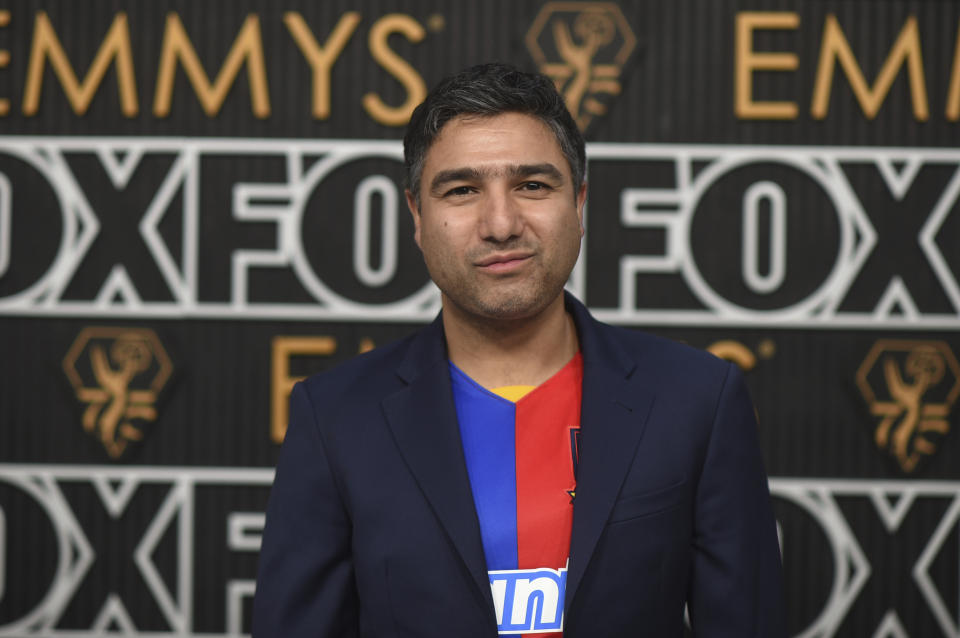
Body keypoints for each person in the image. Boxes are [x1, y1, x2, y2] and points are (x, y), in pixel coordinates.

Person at [253, 62, 785, 637]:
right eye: (461, 190)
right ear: (417, 217)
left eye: (532, 185)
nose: (501, 223)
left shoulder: (697, 400)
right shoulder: (334, 419)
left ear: (579, 204)